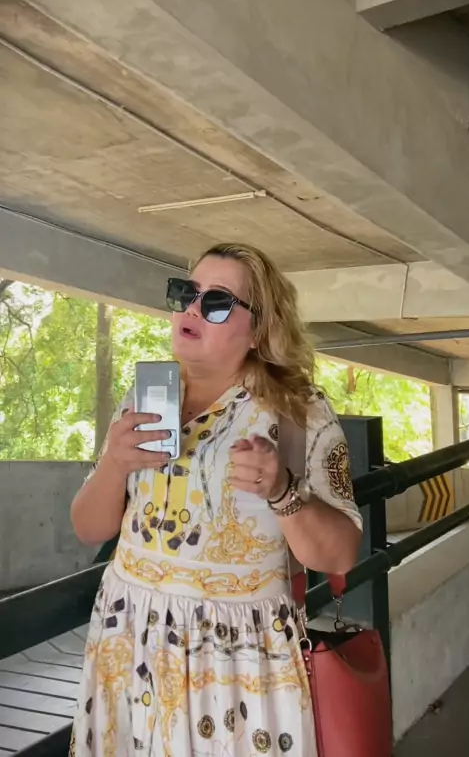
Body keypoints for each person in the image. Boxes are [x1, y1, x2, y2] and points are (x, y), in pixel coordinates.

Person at [70, 242, 362, 757]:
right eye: (186, 292)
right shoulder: (143, 398)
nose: (191, 308)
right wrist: (114, 464)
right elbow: (88, 528)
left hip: (235, 658)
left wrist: (282, 490)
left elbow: (339, 555)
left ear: (260, 329)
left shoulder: (300, 411)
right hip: (127, 638)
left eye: (217, 301)